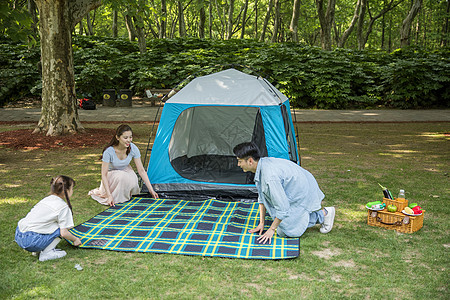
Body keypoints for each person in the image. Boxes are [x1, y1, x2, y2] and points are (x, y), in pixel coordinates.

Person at [233, 142, 335, 244]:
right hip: (297, 185)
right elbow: (262, 196)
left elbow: (283, 208)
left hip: (303, 190)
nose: (238, 165)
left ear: (250, 161)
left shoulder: (270, 177)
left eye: (239, 161)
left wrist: (272, 229)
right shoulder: (262, 164)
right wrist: (262, 223)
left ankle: (324, 214)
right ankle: (300, 215)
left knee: (286, 230)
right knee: (280, 219)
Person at [15, 175, 82, 262]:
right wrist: (75, 239)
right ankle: (47, 253)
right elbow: (64, 233)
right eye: (72, 188)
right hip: (32, 241)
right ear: (67, 190)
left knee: (50, 224)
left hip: (20, 235)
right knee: (61, 228)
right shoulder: (63, 207)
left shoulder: (46, 199)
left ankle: (38, 250)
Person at [89, 124, 158, 206]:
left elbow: (141, 171)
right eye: (125, 138)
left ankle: (126, 194)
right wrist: (109, 195)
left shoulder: (133, 148)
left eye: (130, 137)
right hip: (111, 174)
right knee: (122, 176)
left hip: (126, 170)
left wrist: (151, 190)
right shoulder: (109, 152)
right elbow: (104, 175)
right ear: (117, 138)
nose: (129, 140)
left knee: (133, 179)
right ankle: (115, 197)